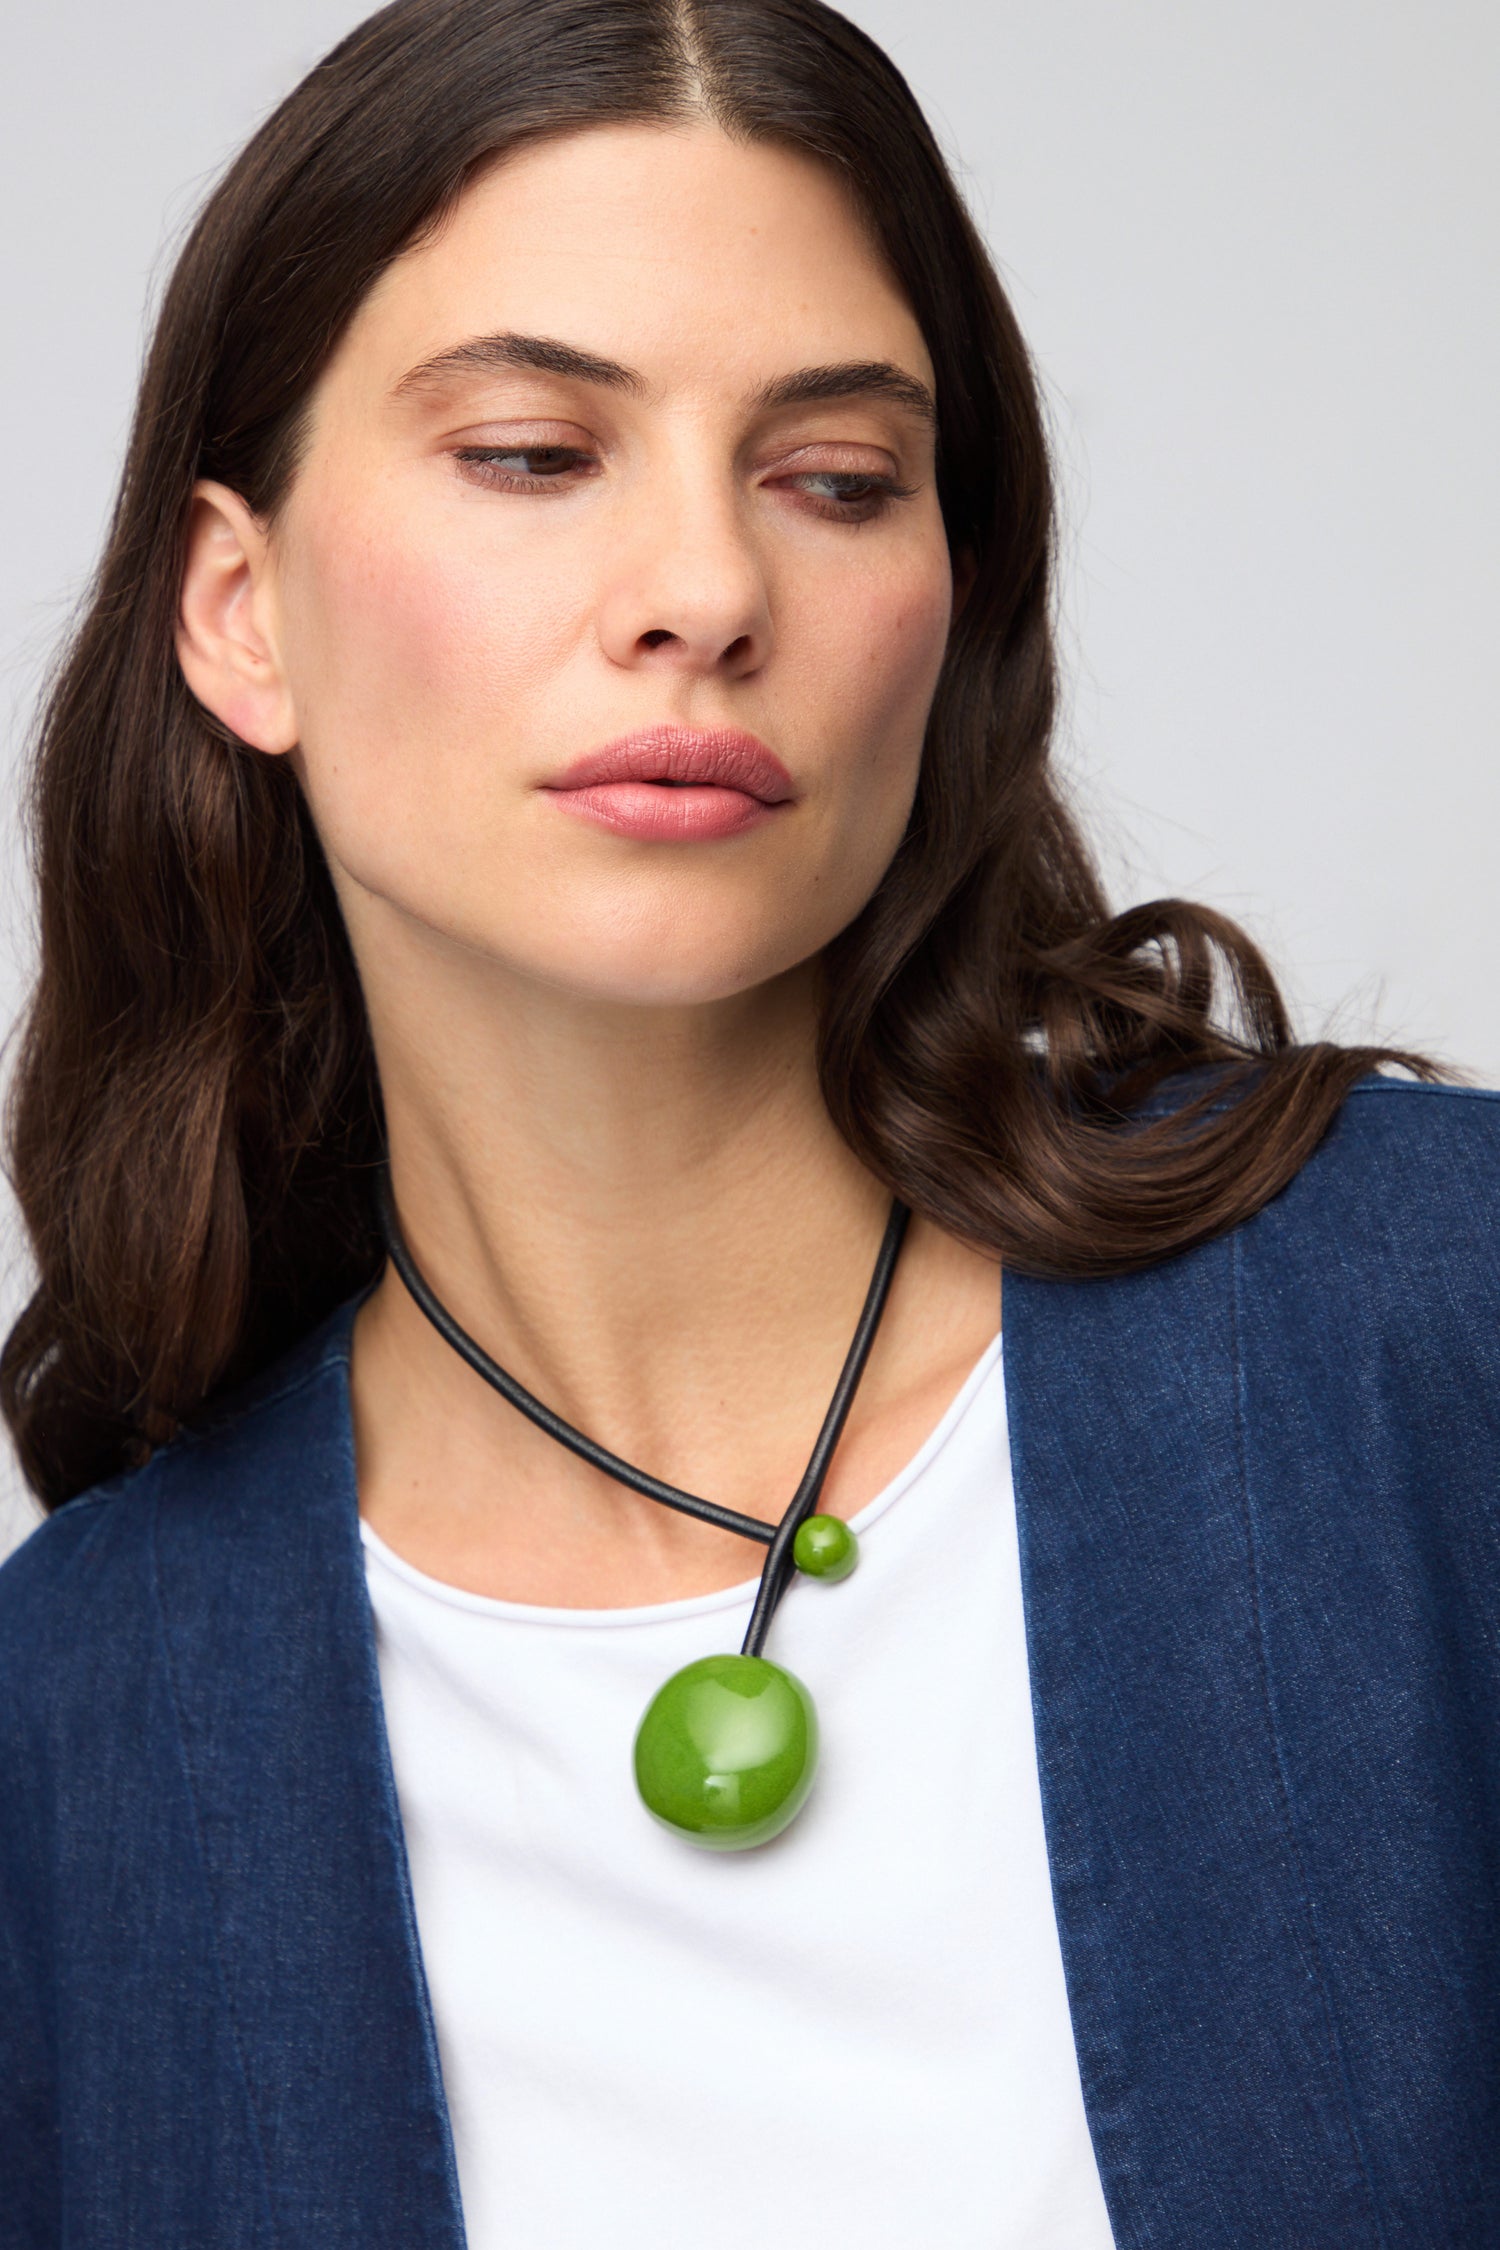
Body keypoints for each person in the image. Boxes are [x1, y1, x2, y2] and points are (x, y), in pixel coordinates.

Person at [1, 0, 1496, 2243]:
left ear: (949, 599)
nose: (709, 592)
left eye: (835, 479)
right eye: (531, 451)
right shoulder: (75, 1747)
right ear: (243, 615)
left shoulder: (1432, 1333)